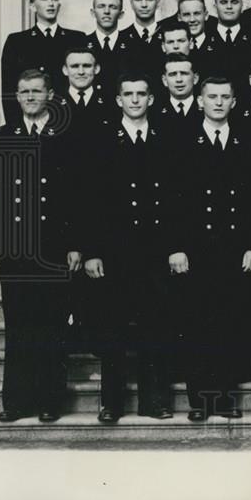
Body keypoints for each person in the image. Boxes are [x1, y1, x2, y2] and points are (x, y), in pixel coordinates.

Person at [0, 69, 82, 422]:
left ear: (50, 94)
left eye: (37, 91)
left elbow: (78, 196)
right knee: (19, 324)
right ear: (16, 96)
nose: (31, 97)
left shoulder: (67, 137)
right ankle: (17, 401)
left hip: (54, 247)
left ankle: (51, 400)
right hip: (15, 247)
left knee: (52, 323)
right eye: (24, 92)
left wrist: (76, 244)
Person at [83, 72, 178, 422]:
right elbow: (89, 200)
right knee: (114, 329)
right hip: (115, 252)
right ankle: (112, 403)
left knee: (156, 326)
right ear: (118, 100)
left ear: (152, 99)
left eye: (142, 93)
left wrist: (174, 246)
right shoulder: (102, 140)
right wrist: (92, 250)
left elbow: (176, 198)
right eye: (129, 94)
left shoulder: (165, 138)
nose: (136, 99)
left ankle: (154, 400)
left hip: (154, 251)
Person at [177, 77, 251, 421]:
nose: (217, 102)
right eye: (211, 96)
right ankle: (201, 401)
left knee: (230, 324)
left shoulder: (247, 140)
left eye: (224, 97)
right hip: (197, 249)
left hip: (234, 248)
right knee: (198, 324)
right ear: (200, 100)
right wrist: (177, 247)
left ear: (233, 102)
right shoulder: (182, 140)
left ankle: (225, 399)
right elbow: (173, 198)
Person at [1, 0, 84, 124]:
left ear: (59, 5)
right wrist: (15, 125)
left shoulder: (76, 39)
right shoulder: (17, 41)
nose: (51, 3)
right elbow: (9, 87)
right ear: (33, 6)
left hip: (69, 117)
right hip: (32, 118)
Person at [83, 0, 133, 84]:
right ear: (93, 13)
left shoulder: (133, 45)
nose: (106, 11)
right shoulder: (82, 44)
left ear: (121, 14)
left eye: (113, 7)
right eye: (101, 6)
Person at [119, 0, 163, 80]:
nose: (144, 5)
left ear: (158, 3)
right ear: (131, 3)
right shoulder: (121, 37)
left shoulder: (167, 36)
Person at [152, 53, 202, 139]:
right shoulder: (154, 113)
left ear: (195, 78)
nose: (179, 79)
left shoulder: (207, 110)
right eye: (173, 74)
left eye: (184, 73)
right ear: (164, 80)